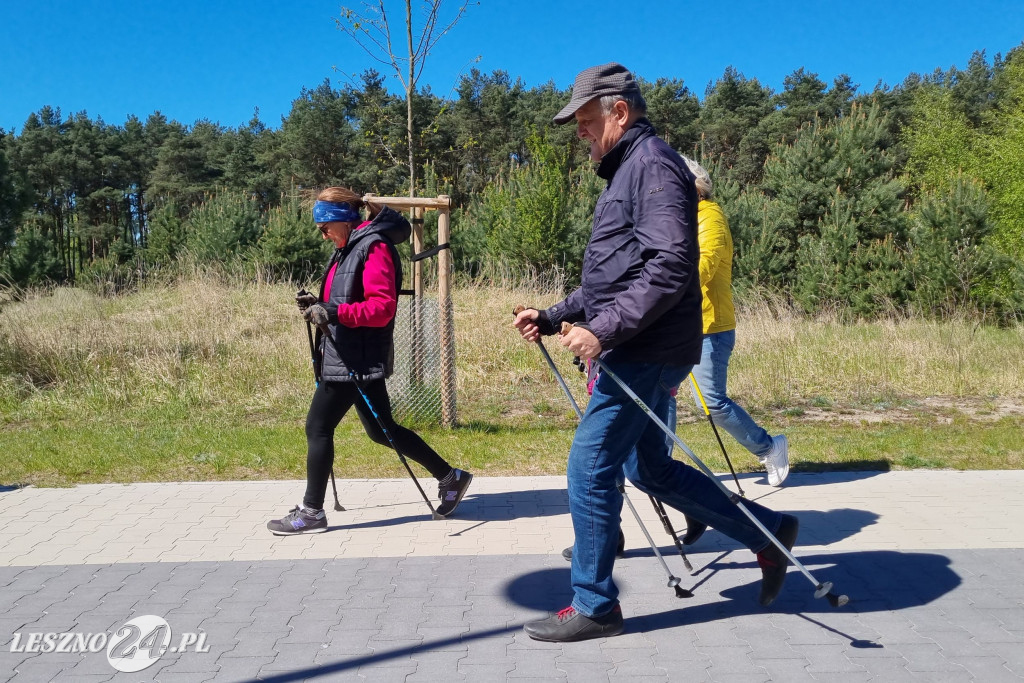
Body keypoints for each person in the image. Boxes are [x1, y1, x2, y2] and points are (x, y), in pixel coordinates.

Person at [513, 63, 799, 643]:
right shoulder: (629, 169)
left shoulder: (651, 165)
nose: (579, 132)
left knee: (590, 467)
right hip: (644, 342)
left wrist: (602, 331)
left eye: (585, 120)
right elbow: (612, 279)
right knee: (648, 467)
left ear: (618, 112)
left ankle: (596, 605)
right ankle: (768, 532)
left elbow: (669, 267)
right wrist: (554, 314)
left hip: (645, 348)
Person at [267, 187, 473, 535]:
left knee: (318, 427)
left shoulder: (374, 247)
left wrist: (332, 312)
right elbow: (344, 300)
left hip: (355, 358)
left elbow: (382, 308)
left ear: (344, 220)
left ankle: (312, 512)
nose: (322, 235)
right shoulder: (349, 248)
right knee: (381, 430)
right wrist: (317, 305)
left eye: (324, 227)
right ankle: (450, 477)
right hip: (347, 353)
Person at [685, 157, 789, 488]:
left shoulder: (710, 217)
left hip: (709, 325)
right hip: (679, 324)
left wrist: (661, 288)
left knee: (711, 402)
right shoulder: (682, 217)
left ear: (694, 187)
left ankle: (769, 447)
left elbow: (704, 266)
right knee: (660, 396)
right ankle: (653, 465)